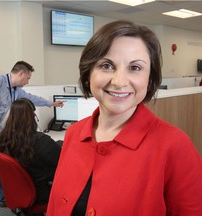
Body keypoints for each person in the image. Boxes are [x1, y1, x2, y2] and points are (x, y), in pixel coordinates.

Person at [47, 20, 202, 216]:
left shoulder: (175, 146)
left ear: (150, 78)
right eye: (106, 65)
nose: (119, 82)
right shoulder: (74, 133)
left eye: (135, 68)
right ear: (88, 74)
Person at [0, 61, 64, 216]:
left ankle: (5, 198)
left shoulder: (16, 90)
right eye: (28, 78)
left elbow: (31, 98)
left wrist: (51, 103)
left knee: (2, 161)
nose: (28, 82)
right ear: (21, 73)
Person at [0, 98, 61, 209]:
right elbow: (63, 161)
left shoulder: (3, 139)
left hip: (21, 190)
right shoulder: (40, 141)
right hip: (43, 191)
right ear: (32, 117)